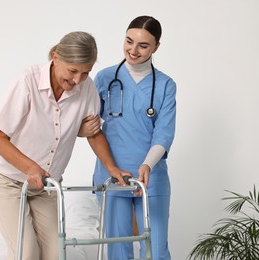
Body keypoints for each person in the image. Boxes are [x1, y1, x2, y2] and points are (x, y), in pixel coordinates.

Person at [0, 31, 130, 260]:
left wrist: (112, 168)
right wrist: (31, 168)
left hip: (47, 185)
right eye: (72, 71)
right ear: (55, 57)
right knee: (27, 252)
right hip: (7, 180)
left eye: (85, 73)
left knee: (55, 254)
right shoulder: (28, 81)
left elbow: (94, 133)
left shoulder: (86, 88)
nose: (77, 80)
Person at [85, 16, 176, 259]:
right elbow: (89, 126)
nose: (133, 50)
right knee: (118, 249)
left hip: (151, 175)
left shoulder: (166, 85)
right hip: (113, 175)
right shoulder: (104, 78)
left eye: (143, 45)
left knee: (156, 250)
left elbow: (164, 132)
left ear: (156, 47)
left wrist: (147, 164)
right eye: (128, 41)